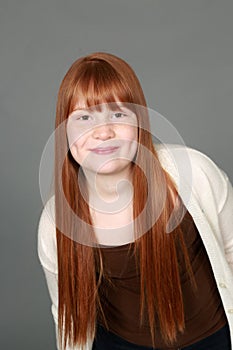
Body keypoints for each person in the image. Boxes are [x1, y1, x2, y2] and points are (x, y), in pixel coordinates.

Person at [37, 52, 233, 350]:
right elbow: (68, 320)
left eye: (118, 114)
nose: (103, 132)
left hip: (212, 340)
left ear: (139, 122)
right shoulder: (55, 223)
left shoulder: (195, 173)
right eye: (84, 118)